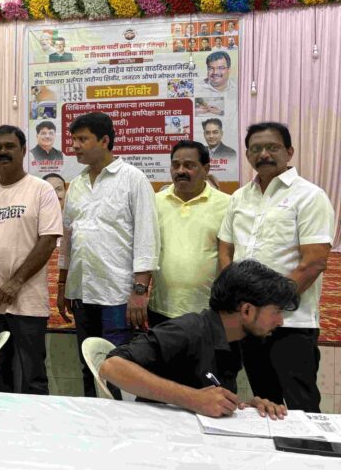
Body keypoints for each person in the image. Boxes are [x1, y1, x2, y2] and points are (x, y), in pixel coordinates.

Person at [219, 122, 335, 412]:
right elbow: (226, 250)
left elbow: (314, 262)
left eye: (272, 147)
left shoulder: (310, 196)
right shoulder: (239, 197)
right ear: (247, 154)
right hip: (249, 321)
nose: (264, 154)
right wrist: (237, 302)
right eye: (256, 149)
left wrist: (269, 307)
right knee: (266, 404)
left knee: (302, 407)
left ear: (289, 152)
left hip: (291, 322)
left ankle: (309, 445)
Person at [100, 260, 297, 419]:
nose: (280, 321)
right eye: (276, 311)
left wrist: (246, 410)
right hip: (159, 436)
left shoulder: (237, 339)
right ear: (247, 310)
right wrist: (193, 398)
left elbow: (210, 399)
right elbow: (111, 367)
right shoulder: (187, 330)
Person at [57, 112, 159, 397]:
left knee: (117, 367)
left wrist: (139, 291)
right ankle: (93, 416)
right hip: (81, 292)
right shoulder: (76, 184)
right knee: (88, 365)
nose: (75, 146)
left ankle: (118, 420)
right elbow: (68, 238)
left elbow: (147, 237)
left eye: (82, 139)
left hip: (117, 294)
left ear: (104, 140)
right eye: (73, 139)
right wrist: (63, 284)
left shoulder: (133, 179)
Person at [0, 125, 62, 394]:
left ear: (23, 150)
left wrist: (16, 282)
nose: (3, 152)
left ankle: (33, 421)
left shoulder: (41, 190)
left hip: (27, 301)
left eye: (9, 146)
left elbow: (48, 241)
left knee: (32, 374)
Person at [149, 141, 230, 326]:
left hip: (209, 311)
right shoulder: (154, 202)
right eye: (175, 165)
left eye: (189, 165)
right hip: (161, 309)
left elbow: (230, 255)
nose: (180, 171)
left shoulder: (227, 204)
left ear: (206, 169)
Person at [198, 52, 237, 116]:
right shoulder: (198, 88)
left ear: (229, 70)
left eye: (220, 68)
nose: (215, 72)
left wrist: (220, 112)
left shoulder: (239, 89)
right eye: (211, 68)